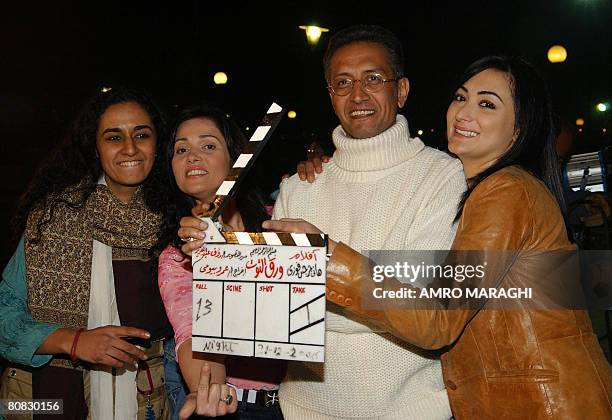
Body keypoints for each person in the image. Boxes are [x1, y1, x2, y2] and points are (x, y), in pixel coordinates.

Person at [292, 56, 612, 418]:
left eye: (487, 104)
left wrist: (330, 258)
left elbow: (440, 317)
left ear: (520, 128)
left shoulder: (506, 192)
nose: (464, 113)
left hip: (545, 404)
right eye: (461, 98)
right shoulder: (477, 189)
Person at [181, 24, 465, 419]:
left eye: (374, 78)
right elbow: (273, 320)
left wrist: (323, 261)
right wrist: (221, 261)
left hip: (410, 409)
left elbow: (423, 311)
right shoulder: (300, 187)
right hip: (303, 409)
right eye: (342, 83)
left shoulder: (443, 177)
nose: (358, 95)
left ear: (400, 90)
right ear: (330, 96)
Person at [0, 87, 179, 419]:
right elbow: (3, 314)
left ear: (159, 143)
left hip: (144, 399)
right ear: (95, 148)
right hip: (39, 399)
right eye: (114, 137)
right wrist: (72, 341)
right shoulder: (54, 216)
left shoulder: (176, 221)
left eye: (141, 134)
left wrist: (305, 175)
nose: (130, 148)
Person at [155, 104, 286, 419]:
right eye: (181, 149)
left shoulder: (281, 222)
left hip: (301, 404)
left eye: (208, 145)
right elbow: (192, 332)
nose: (192, 156)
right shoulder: (177, 256)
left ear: (237, 159)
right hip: (235, 406)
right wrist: (206, 390)